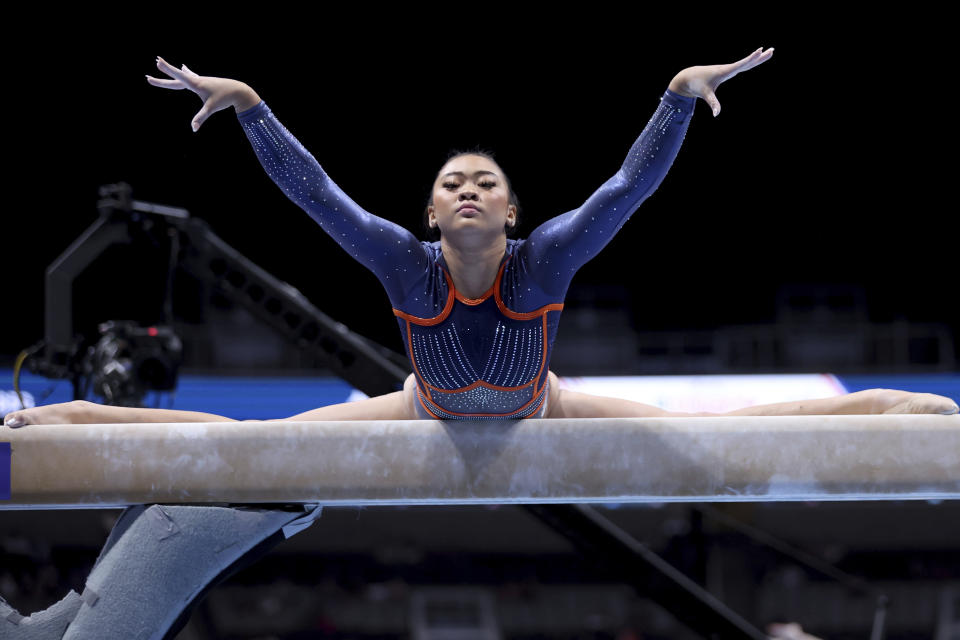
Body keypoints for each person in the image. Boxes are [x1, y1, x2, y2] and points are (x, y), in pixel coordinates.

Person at [4, 48, 958, 428]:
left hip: (545, 411)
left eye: (485, 183)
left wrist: (675, 97)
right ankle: (50, 425)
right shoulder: (404, 267)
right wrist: (252, 105)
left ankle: (922, 417)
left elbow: (626, 190)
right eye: (451, 182)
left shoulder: (545, 258)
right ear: (429, 213)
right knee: (232, 443)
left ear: (511, 212)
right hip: (422, 410)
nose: (468, 189)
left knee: (727, 436)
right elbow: (319, 198)